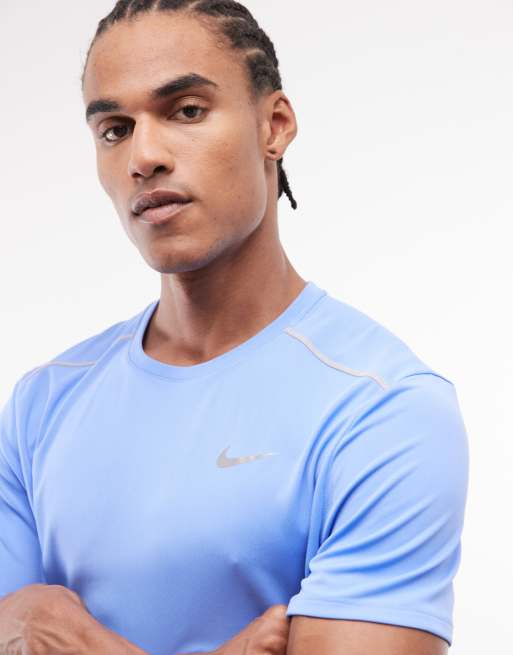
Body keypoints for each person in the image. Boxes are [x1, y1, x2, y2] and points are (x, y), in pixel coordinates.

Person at [0, 2, 469, 654]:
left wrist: (60, 636)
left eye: (186, 111)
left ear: (273, 126)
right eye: (113, 129)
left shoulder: (383, 408)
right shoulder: (41, 404)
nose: (143, 156)